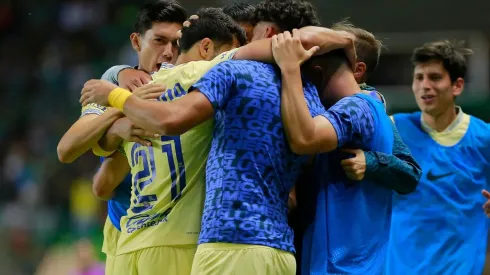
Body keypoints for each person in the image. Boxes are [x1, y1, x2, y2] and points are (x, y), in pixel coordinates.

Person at [93, 8, 248, 275]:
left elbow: (101, 181)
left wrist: (113, 92)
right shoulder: (201, 75)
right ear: (207, 48)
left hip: (129, 242)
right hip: (175, 240)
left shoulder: (140, 95)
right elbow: (253, 56)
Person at [56, 1, 187, 275]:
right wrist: (120, 107)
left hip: (176, 235)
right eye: (159, 41)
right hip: (123, 229)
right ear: (137, 42)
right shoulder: (113, 85)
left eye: (177, 43)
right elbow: (66, 149)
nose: (168, 52)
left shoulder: (191, 82)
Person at [272, 29, 415, 274]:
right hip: (327, 255)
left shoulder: (361, 105)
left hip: (343, 262)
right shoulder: (338, 108)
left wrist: (372, 162)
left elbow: (410, 173)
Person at [386, 40, 490, 275]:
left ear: (457, 86)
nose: (425, 86)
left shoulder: (484, 138)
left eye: (434, 77)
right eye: (419, 78)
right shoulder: (393, 130)